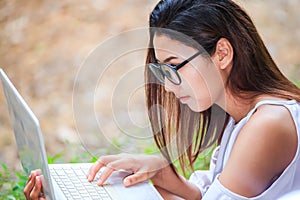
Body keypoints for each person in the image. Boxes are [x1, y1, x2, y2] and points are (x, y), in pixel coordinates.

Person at [24, 0, 300, 199]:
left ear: (222, 54)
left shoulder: (268, 123)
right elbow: (209, 196)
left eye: (174, 67)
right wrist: (166, 175)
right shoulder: (240, 119)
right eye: (161, 70)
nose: (167, 86)